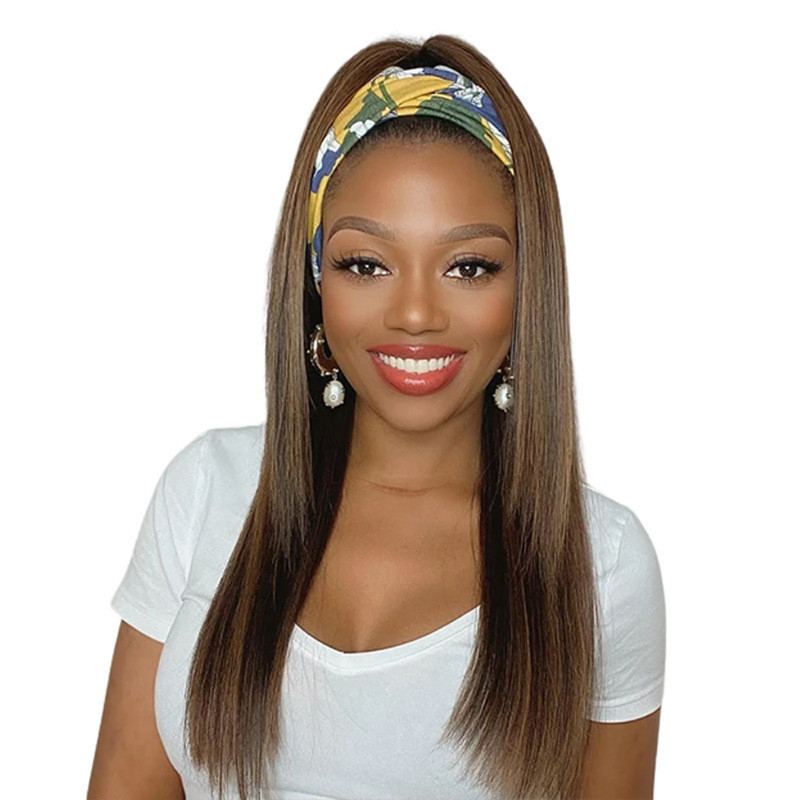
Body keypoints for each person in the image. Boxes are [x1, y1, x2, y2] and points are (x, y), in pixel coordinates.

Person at [88, 34, 666, 800]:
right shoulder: (207, 490)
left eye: (469, 266)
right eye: (366, 264)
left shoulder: (599, 564)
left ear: (527, 288)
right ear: (316, 280)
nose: (416, 313)